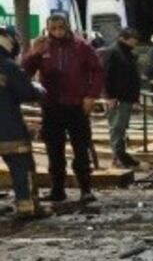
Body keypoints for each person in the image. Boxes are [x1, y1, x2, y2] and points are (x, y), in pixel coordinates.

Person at [22, 13, 103, 203]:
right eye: (54, 28)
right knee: (54, 150)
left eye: (61, 27)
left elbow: (97, 70)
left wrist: (92, 96)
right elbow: (24, 72)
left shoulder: (81, 46)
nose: (58, 31)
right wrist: (33, 54)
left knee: (81, 149)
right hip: (51, 107)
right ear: (48, 29)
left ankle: (85, 189)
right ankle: (57, 190)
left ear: (67, 27)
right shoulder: (43, 47)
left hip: (76, 106)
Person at [0, 27, 48, 219]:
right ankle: (27, 207)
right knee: (22, 167)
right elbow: (26, 92)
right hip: (8, 128)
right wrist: (39, 89)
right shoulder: (8, 65)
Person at [103, 28, 142, 168]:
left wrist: (135, 97)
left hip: (126, 97)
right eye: (133, 39)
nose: (136, 42)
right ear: (124, 38)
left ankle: (121, 155)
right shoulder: (113, 52)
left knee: (121, 128)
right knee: (117, 127)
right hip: (118, 97)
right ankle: (117, 157)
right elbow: (106, 76)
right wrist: (110, 96)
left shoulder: (127, 53)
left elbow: (132, 76)